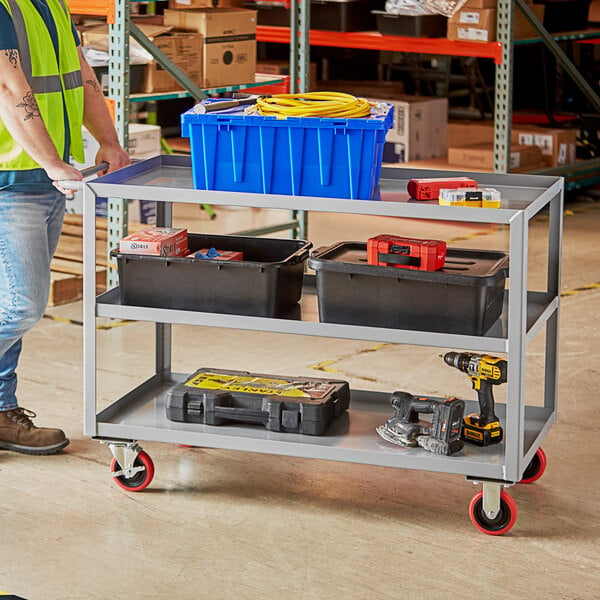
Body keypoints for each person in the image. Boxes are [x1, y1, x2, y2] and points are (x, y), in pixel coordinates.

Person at [0, 0, 130, 454]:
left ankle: (1, 413)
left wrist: (108, 141)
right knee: (20, 306)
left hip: (46, 178)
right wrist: (52, 162)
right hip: (8, 180)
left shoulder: (50, 4)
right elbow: (8, 87)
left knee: (6, 306)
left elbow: (81, 75)